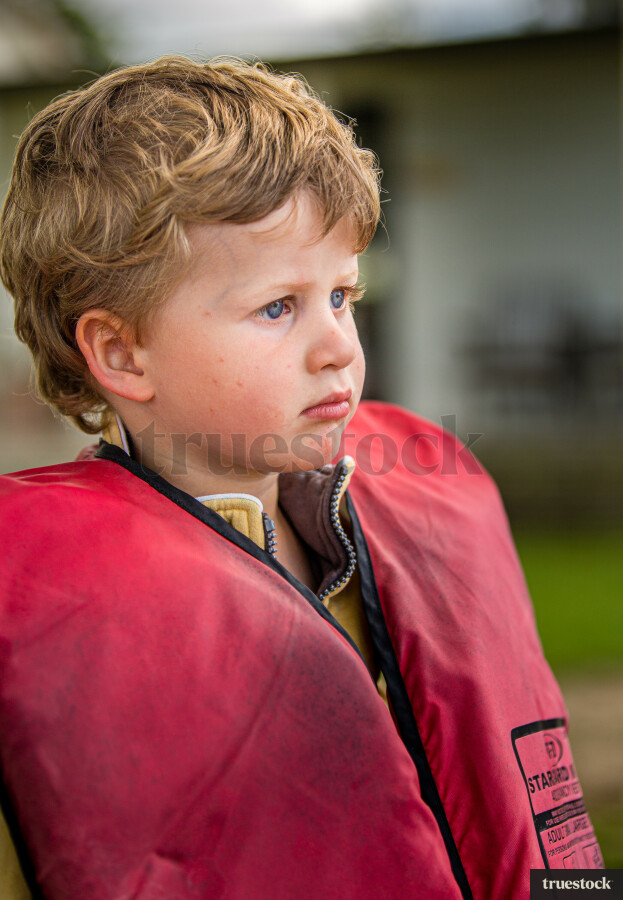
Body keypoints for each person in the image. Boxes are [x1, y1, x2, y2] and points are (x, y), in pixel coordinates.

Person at [0, 57, 603, 900]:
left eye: (343, 295)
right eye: (277, 307)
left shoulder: (416, 506)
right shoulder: (36, 615)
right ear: (119, 352)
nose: (338, 348)